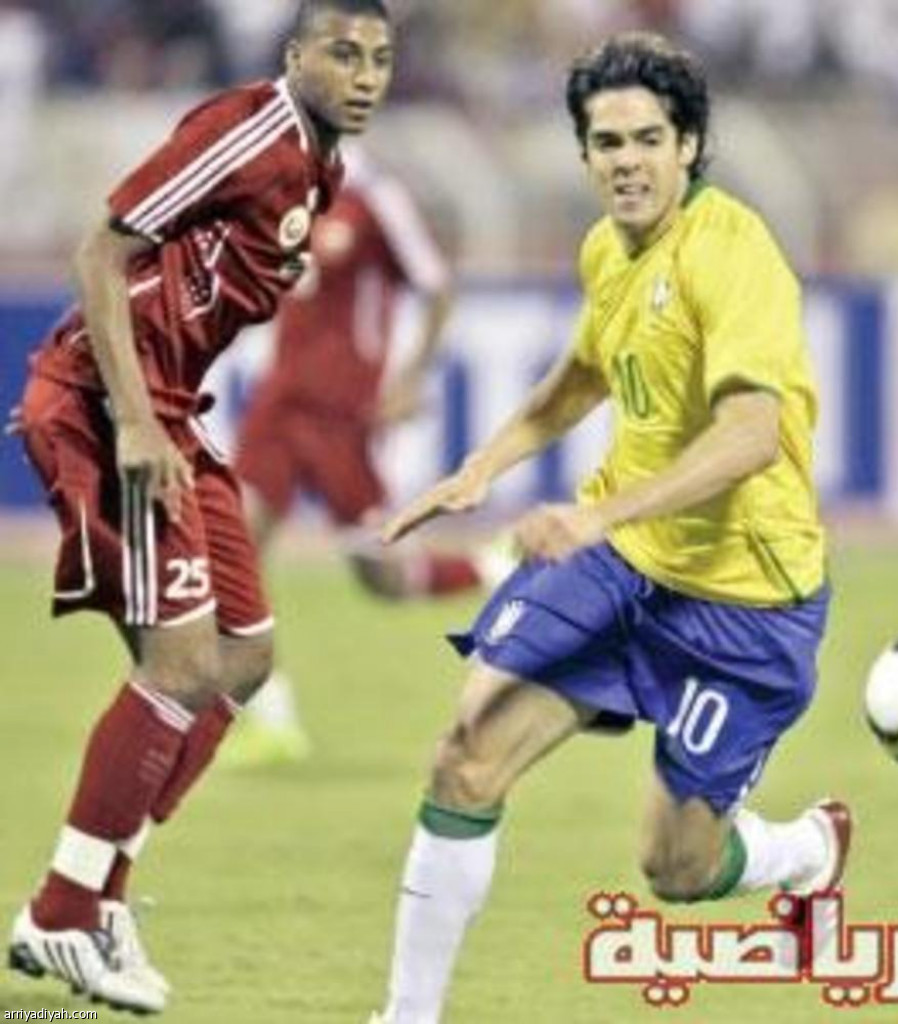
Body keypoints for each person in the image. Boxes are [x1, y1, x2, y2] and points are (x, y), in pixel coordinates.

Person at [370, 32, 852, 1024]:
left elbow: (751, 436)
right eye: (606, 142)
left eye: (647, 139)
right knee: (466, 752)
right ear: (584, 153)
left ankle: (805, 850)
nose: (626, 161)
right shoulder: (606, 248)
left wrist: (596, 513)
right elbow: (584, 373)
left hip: (746, 602)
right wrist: (482, 467)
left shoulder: (733, 253)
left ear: (689, 146)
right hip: (623, 565)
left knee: (677, 869)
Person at [5, 0, 394, 1013]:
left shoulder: (322, 168)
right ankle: (59, 912)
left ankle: (102, 895)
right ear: (295, 55)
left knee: (243, 656)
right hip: (106, 405)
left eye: (379, 58)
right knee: (179, 664)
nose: (364, 74)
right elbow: (101, 250)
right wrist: (134, 423)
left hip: (175, 411)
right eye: (342, 53)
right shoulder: (248, 131)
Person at [226, 144, 493, 766]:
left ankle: (497, 566)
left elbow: (437, 286)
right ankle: (271, 720)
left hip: (345, 415)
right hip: (279, 404)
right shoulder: (288, 190)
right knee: (232, 551)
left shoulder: (376, 197)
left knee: (383, 577)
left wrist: (410, 378)